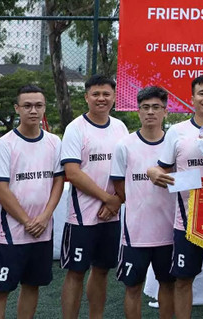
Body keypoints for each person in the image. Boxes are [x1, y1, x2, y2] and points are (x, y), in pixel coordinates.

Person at [148, 74, 203, 319]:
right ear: (192, 98)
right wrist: (153, 172)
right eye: (202, 93)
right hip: (186, 221)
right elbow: (161, 167)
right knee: (183, 279)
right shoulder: (177, 131)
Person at [0, 85, 64, 319]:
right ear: (17, 108)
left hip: (42, 231)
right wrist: (28, 221)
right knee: (0, 289)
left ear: (44, 109)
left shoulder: (53, 142)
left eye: (38, 105)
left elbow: (58, 182)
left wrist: (45, 217)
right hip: (11, 233)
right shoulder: (5, 144)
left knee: (32, 285)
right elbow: (0, 188)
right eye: (27, 106)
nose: (33, 110)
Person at [59, 75, 128, 319]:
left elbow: (125, 171)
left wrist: (117, 200)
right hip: (82, 216)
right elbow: (73, 173)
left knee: (101, 270)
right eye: (96, 94)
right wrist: (107, 198)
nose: (101, 99)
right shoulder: (75, 128)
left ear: (113, 97)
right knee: (76, 272)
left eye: (106, 94)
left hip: (111, 214)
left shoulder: (120, 127)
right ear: (86, 97)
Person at [110, 86, 176, 319]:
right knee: (133, 287)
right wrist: (136, 203)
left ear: (165, 112)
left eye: (156, 107)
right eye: (145, 108)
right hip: (135, 233)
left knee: (167, 286)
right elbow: (119, 184)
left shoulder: (175, 144)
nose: (150, 112)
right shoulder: (124, 145)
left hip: (168, 231)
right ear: (138, 112)